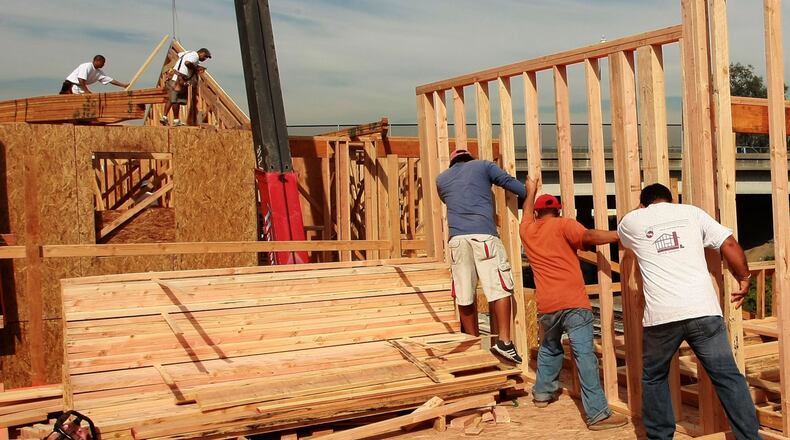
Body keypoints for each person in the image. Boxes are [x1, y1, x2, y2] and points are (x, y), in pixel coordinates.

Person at [617, 183, 761, 440]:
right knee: (728, 377)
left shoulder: (633, 220)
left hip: (662, 317)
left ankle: (660, 436)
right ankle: (750, 437)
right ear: (672, 200)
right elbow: (728, 243)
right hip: (703, 310)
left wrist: (642, 210)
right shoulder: (692, 213)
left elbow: (625, 240)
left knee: (654, 377)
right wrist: (745, 277)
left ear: (644, 204)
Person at [519, 176, 628, 431]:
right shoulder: (564, 224)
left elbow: (525, 212)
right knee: (584, 356)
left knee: (549, 346)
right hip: (573, 303)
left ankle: (542, 394)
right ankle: (597, 414)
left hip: (547, 305)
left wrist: (530, 190)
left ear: (537, 213)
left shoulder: (527, 229)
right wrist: (618, 234)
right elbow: (589, 236)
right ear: (557, 210)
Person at [436, 149, 525, 364]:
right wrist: (529, 191)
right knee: (500, 286)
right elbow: (513, 186)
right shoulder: (484, 166)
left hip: (457, 241)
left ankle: (472, 342)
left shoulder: (442, 179)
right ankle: (504, 342)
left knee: (464, 292)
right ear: (469, 158)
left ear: (453, 162)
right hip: (483, 237)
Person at [160, 47, 211, 127]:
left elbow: (179, 54)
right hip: (178, 79)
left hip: (174, 77)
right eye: (205, 56)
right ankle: (176, 121)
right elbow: (187, 63)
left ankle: (164, 117)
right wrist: (196, 69)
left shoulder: (188, 53)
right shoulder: (195, 56)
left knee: (172, 98)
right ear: (201, 52)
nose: (205, 59)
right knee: (175, 100)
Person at [60, 55, 128, 94]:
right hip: (71, 86)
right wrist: (86, 91)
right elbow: (81, 79)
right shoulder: (87, 66)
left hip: (79, 87)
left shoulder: (99, 72)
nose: (104, 64)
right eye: (103, 62)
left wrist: (123, 85)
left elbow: (110, 80)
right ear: (97, 61)